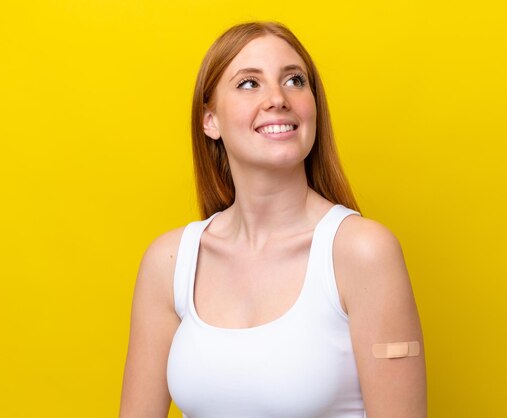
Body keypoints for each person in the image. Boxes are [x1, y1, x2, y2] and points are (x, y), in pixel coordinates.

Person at [119, 21, 426, 418]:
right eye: (249, 83)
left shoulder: (363, 252)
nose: (278, 99)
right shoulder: (170, 262)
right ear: (209, 120)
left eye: (295, 81)